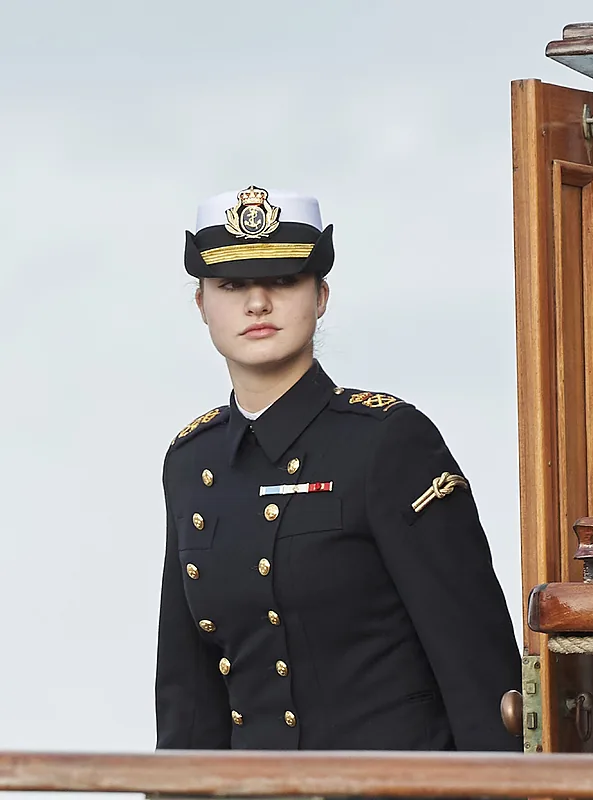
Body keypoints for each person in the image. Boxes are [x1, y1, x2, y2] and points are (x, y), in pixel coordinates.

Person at [155, 185, 521, 752]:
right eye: (230, 286)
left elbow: (475, 665)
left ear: (321, 295)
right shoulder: (191, 462)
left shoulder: (388, 441)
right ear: (201, 305)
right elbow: (189, 694)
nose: (257, 304)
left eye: (282, 281)